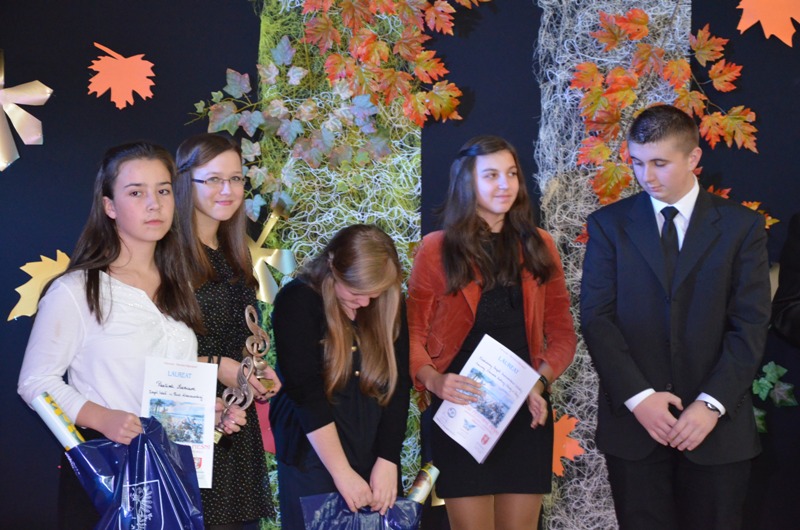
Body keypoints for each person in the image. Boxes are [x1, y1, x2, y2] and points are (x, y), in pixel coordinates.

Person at [16, 142, 244, 528]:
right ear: (109, 206)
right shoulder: (77, 290)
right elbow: (35, 382)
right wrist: (102, 418)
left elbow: (164, 386)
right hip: (107, 477)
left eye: (163, 190)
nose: (154, 204)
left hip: (171, 479)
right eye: (136, 193)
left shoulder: (179, 287)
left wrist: (206, 412)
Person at [580, 104, 772, 530]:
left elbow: (751, 324)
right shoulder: (609, 225)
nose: (646, 176)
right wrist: (640, 399)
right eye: (637, 162)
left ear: (693, 158)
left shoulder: (742, 227)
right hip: (636, 431)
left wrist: (711, 404)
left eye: (659, 163)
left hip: (718, 432)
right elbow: (597, 320)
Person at [407, 135, 577, 530]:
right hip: (462, 415)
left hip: (525, 414)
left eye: (512, 174)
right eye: (491, 175)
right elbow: (412, 335)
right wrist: (434, 380)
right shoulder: (436, 249)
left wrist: (539, 383)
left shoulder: (539, 245)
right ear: (467, 182)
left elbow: (563, 336)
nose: (505, 184)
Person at [269, 224, 411, 528]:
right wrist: (342, 473)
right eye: (356, 292)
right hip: (314, 456)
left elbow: (398, 386)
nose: (366, 303)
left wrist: (388, 458)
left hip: (373, 453)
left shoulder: (388, 303)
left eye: (375, 294)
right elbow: (306, 395)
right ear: (333, 265)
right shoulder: (298, 300)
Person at [174, 133, 280, 530]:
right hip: (187, 419)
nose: (228, 190)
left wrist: (256, 371)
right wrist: (218, 366)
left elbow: (236, 336)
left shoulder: (234, 253)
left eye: (236, 179)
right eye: (214, 179)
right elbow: (148, 353)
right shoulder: (166, 255)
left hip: (235, 425)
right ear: (185, 182)